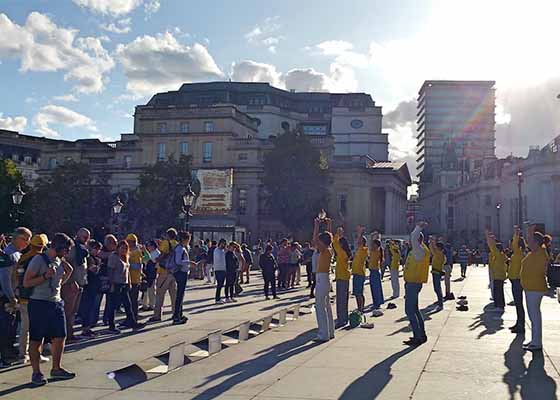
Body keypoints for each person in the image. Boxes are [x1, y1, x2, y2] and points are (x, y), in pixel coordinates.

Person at [23, 233, 75, 386]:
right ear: (58, 247)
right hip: (39, 303)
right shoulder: (38, 260)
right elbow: (27, 282)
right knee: (36, 339)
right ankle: (36, 372)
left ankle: (56, 368)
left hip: (56, 302)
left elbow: (59, 281)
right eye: (66, 250)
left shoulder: (59, 260)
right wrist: (45, 276)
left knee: (60, 336)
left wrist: (68, 273)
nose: (67, 253)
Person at [15, 233, 50, 364]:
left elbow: (16, 276)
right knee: (37, 328)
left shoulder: (23, 258)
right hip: (37, 297)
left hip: (23, 296)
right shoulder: (41, 260)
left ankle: (22, 354)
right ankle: (36, 354)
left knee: (24, 328)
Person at [1, 227, 32, 367]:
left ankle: (9, 351)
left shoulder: (16, 253)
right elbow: (5, 279)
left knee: (12, 326)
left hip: (15, 295)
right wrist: (11, 297)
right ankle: (5, 355)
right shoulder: (8, 254)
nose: (27, 243)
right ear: (17, 238)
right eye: (26, 239)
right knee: (6, 326)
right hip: (7, 297)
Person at [520, 225, 549, 351]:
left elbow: (540, 270)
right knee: (534, 316)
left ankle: (537, 343)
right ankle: (534, 340)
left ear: (537, 243)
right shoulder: (537, 252)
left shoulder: (540, 254)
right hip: (531, 287)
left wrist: (530, 232)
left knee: (534, 317)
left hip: (534, 288)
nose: (529, 244)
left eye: (532, 242)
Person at [106, 241, 144, 333]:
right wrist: (111, 284)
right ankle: (111, 325)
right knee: (114, 305)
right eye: (122, 248)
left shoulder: (125, 257)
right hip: (116, 283)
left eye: (125, 248)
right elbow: (110, 271)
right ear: (118, 248)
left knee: (128, 304)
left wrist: (129, 282)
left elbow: (127, 271)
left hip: (124, 283)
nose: (124, 250)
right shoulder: (113, 257)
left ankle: (132, 322)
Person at [403, 222, 430, 346]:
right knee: (415, 310)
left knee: (410, 311)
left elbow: (413, 237)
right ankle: (421, 335)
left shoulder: (419, 250)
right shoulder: (421, 250)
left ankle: (417, 336)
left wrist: (418, 227)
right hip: (414, 283)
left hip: (413, 284)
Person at [61, 228, 90, 342]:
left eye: (87, 237)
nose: (86, 239)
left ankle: (70, 333)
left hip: (80, 283)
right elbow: (67, 264)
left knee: (73, 312)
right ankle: (67, 335)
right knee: (68, 311)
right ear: (78, 235)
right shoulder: (73, 248)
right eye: (84, 237)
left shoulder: (82, 248)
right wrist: (71, 281)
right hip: (72, 284)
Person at [312, 217, 335, 342]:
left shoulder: (325, 250)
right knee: (327, 306)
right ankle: (330, 331)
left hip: (322, 278)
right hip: (326, 278)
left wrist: (316, 225)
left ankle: (323, 334)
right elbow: (328, 238)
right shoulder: (329, 249)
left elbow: (315, 240)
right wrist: (329, 225)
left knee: (320, 307)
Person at [150, 229, 178, 322]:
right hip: (174, 272)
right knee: (173, 294)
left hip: (164, 271)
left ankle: (157, 315)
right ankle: (175, 313)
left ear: (167, 235)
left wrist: (156, 259)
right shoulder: (177, 244)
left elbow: (162, 255)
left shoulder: (166, 243)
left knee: (160, 294)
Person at [172, 231, 196, 325]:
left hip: (183, 272)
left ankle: (179, 314)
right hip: (181, 272)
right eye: (188, 239)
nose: (189, 241)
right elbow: (178, 261)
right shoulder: (180, 249)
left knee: (180, 295)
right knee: (180, 295)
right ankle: (177, 316)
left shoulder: (181, 248)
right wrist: (189, 262)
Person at [80, 240, 102, 338]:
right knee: (88, 307)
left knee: (92, 307)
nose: (97, 251)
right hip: (89, 285)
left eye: (98, 249)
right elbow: (92, 269)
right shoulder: (88, 258)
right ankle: (85, 328)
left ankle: (88, 327)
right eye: (95, 249)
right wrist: (98, 267)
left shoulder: (96, 258)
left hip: (95, 285)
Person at [332, 227, 351, 328]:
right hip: (345, 277)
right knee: (344, 299)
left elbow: (334, 243)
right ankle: (344, 318)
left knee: (341, 300)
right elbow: (335, 244)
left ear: (342, 244)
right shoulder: (345, 253)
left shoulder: (342, 253)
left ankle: (341, 320)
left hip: (341, 277)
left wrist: (338, 234)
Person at [509, 226, 526, 334]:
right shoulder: (517, 254)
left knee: (519, 304)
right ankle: (519, 323)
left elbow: (515, 243)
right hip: (514, 280)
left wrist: (516, 234)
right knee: (518, 303)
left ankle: (521, 325)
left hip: (517, 281)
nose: (510, 246)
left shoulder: (518, 253)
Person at [486, 230, 508, 312]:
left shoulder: (498, 255)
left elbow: (493, 248)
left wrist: (490, 239)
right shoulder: (502, 255)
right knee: (499, 291)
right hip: (499, 275)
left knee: (498, 291)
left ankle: (499, 306)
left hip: (498, 276)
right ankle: (500, 305)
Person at [126, 234, 144, 320]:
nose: (127, 243)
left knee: (133, 300)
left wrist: (127, 264)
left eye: (129, 241)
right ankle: (131, 317)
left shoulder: (136, 252)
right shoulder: (130, 251)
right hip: (129, 278)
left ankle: (133, 317)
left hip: (134, 279)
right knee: (130, 299)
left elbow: (138, 266)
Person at [352, 234, 368, 313]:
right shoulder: (358, 250)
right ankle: (359, 308)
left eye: (360, 241)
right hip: (355, 273)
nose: (357, 242)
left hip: (360, 273)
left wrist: (360, 233)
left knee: (359, 293)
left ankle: (361, 308)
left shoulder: (364, 249)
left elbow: (359, 243)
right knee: (356, 293)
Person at [368, 234, 384, 315]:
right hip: (372, 271)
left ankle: (377, 303)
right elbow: (370, 245)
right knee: (373, 288)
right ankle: (376, 302)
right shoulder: (374, 250)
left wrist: (375, 238)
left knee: (376, 288)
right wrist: (373, 237)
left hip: (375, 271)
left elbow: (372, 245)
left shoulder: (377, 251)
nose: (372, 245)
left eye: (374, 244)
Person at [429, 237, 446, 311]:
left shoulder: (439, 254)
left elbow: (432, 249)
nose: (436, 248)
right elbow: (433, 249)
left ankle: (440, 304)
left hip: (436, 273)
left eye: (437, 247)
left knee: (437, 289)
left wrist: (432, 242)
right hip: (436, 272)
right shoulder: (440, 254)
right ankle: (440, 302)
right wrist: (432, 242)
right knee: (437, 289)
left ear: (440, 248)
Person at [141, 240, 159, 311]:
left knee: (151, 289)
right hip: (147, 272)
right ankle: (144, 304)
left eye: (150, 245)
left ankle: (152, 304)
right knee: (145, 289)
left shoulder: (156, 253)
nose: (148, 247)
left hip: (152, 273)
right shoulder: (150, 253)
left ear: (153, 246)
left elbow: (153, 261)